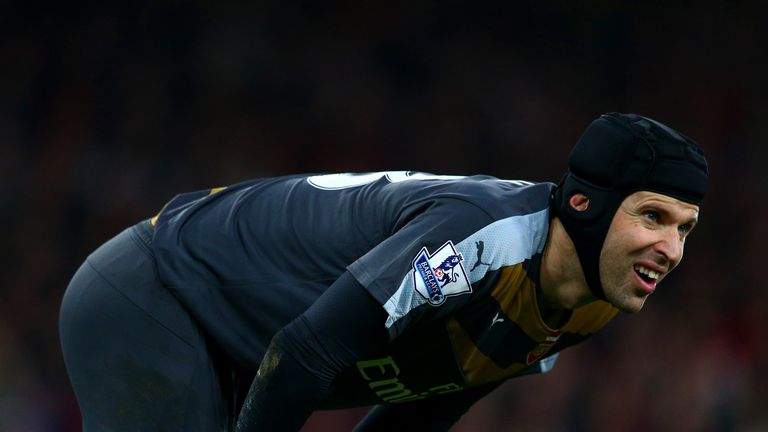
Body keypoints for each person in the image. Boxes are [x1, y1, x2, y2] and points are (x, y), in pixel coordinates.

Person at [59, 112, 708, 431]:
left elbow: (423, 406)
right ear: (583, 204)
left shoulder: (586, 302)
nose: (671, 249)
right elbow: (304, 351)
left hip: (226, 337)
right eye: (652, 217)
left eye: (684, 229)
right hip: (156, 291)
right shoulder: (477, 244)